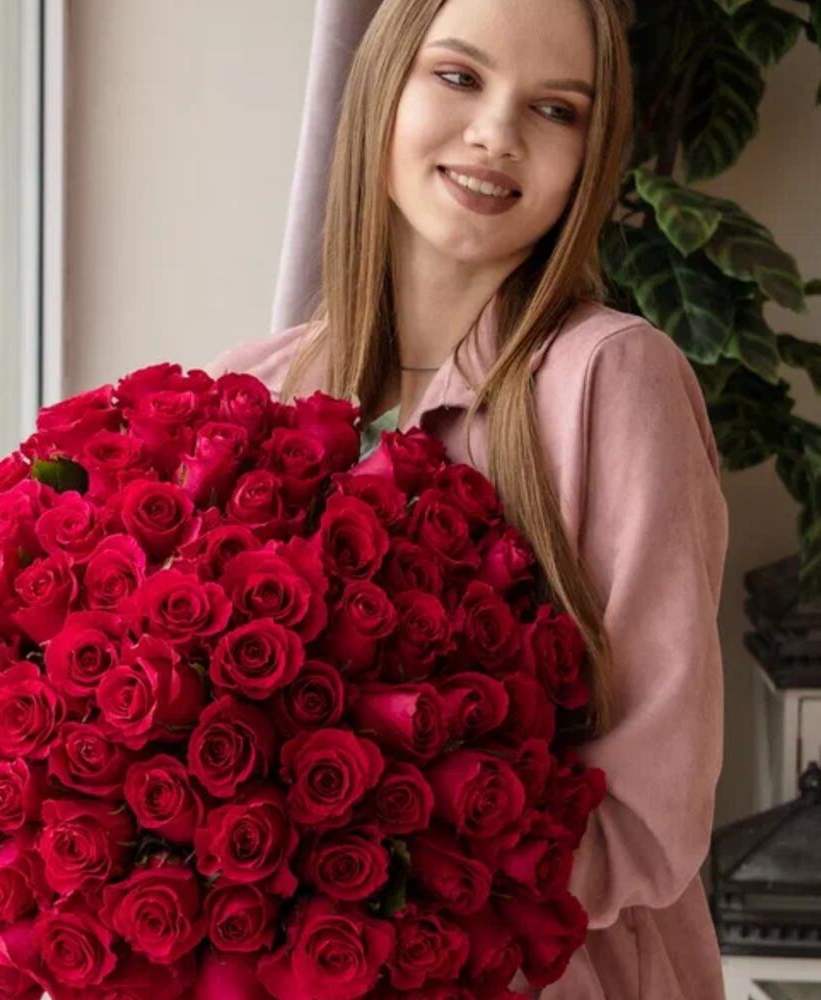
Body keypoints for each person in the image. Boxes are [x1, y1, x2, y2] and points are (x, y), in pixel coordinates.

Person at [203, 0, 730, 996]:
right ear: (382, 87)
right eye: (458, 77)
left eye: (556, 109)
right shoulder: (250, 388)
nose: (496, 133)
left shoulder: (611, 380)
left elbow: (648, 817)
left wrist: (374, 911)